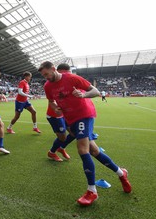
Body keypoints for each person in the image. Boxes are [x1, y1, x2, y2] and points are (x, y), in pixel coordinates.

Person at [38, 61, 131, 206]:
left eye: (47, 74)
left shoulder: (72, 78)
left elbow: (95, 91)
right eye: (43, 76)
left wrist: (83, 95)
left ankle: (92, 191)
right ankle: (121, 173)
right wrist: (56, 108)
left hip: (84, 114)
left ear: (54, 69)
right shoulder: (47, 86)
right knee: (94, 150)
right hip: (69, 118)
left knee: (82, 149)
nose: (46, 78)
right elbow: (51, 101)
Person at [46, 63, 76, 162]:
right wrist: (57, 107)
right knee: (62, 138)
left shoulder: (67, 80)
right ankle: (52, 152)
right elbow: (52, 100)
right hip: (55, 115)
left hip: (64, 114)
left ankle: (61, 148)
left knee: (74, 133)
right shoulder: (50, 84)